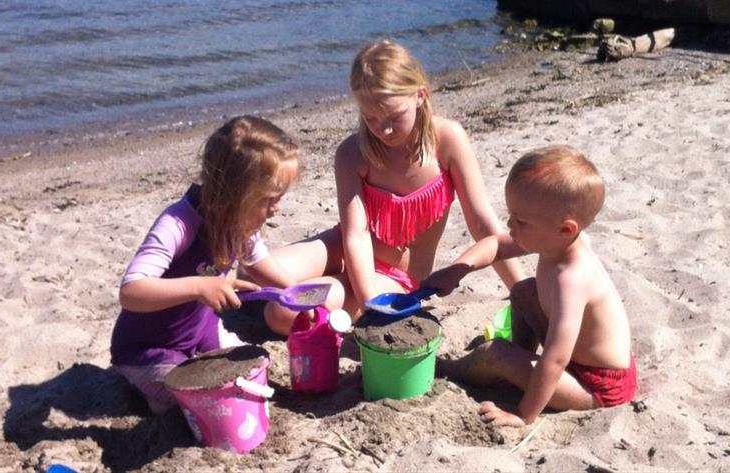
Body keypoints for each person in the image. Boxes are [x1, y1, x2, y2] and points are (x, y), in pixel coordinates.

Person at [260, 40, 523, 335]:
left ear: (420, 95)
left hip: (394, 276)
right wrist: (368, 300)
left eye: (394, 117)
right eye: (370, 118)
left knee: (283, 312)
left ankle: (334, 289)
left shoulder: (447, 140)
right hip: (345, 246)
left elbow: (481, 224)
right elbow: (356, 235)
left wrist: (522, 290)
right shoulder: (352, 153)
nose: (382, 130)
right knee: (257, 274)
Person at [422, 145, 636, 427]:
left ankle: (450, 369)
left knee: (494, 354)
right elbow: (497, 244)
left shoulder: (571, 280)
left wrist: (522, 414)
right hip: (575, 360)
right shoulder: (556, 241)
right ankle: (518, 360)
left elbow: (556, 359)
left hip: (596, 387)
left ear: (565, 229)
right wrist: (456, 270)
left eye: (520, 221)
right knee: (524, 290)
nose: (510, 225)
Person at [110, 116, 301, 414]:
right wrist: (200, 286)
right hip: (147, 348)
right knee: (196, 401)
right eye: (269, 199)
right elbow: (131, 292)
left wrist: (295, 292)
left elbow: (257, 260)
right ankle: (147, 390)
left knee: (253, 366)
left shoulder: (240, 223)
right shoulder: (178, 224)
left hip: (200, 332)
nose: (276, 208)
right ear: (233, 195)